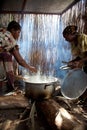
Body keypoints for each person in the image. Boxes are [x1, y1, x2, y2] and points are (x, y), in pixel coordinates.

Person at [0, 20, 37, 93]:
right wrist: (30, 68)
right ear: (12, 30)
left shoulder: (2, 32)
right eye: (18, 32)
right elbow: (20, 60)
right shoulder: (10, 39)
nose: (19, 35)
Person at [62, 25, 87, 102]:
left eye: (66, 37)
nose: (65, 39)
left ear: (72, 34)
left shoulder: (83, 38)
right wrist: (73, 61)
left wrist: (80, 62)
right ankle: (84, 99)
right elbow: (81, 55)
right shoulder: (73, 42)